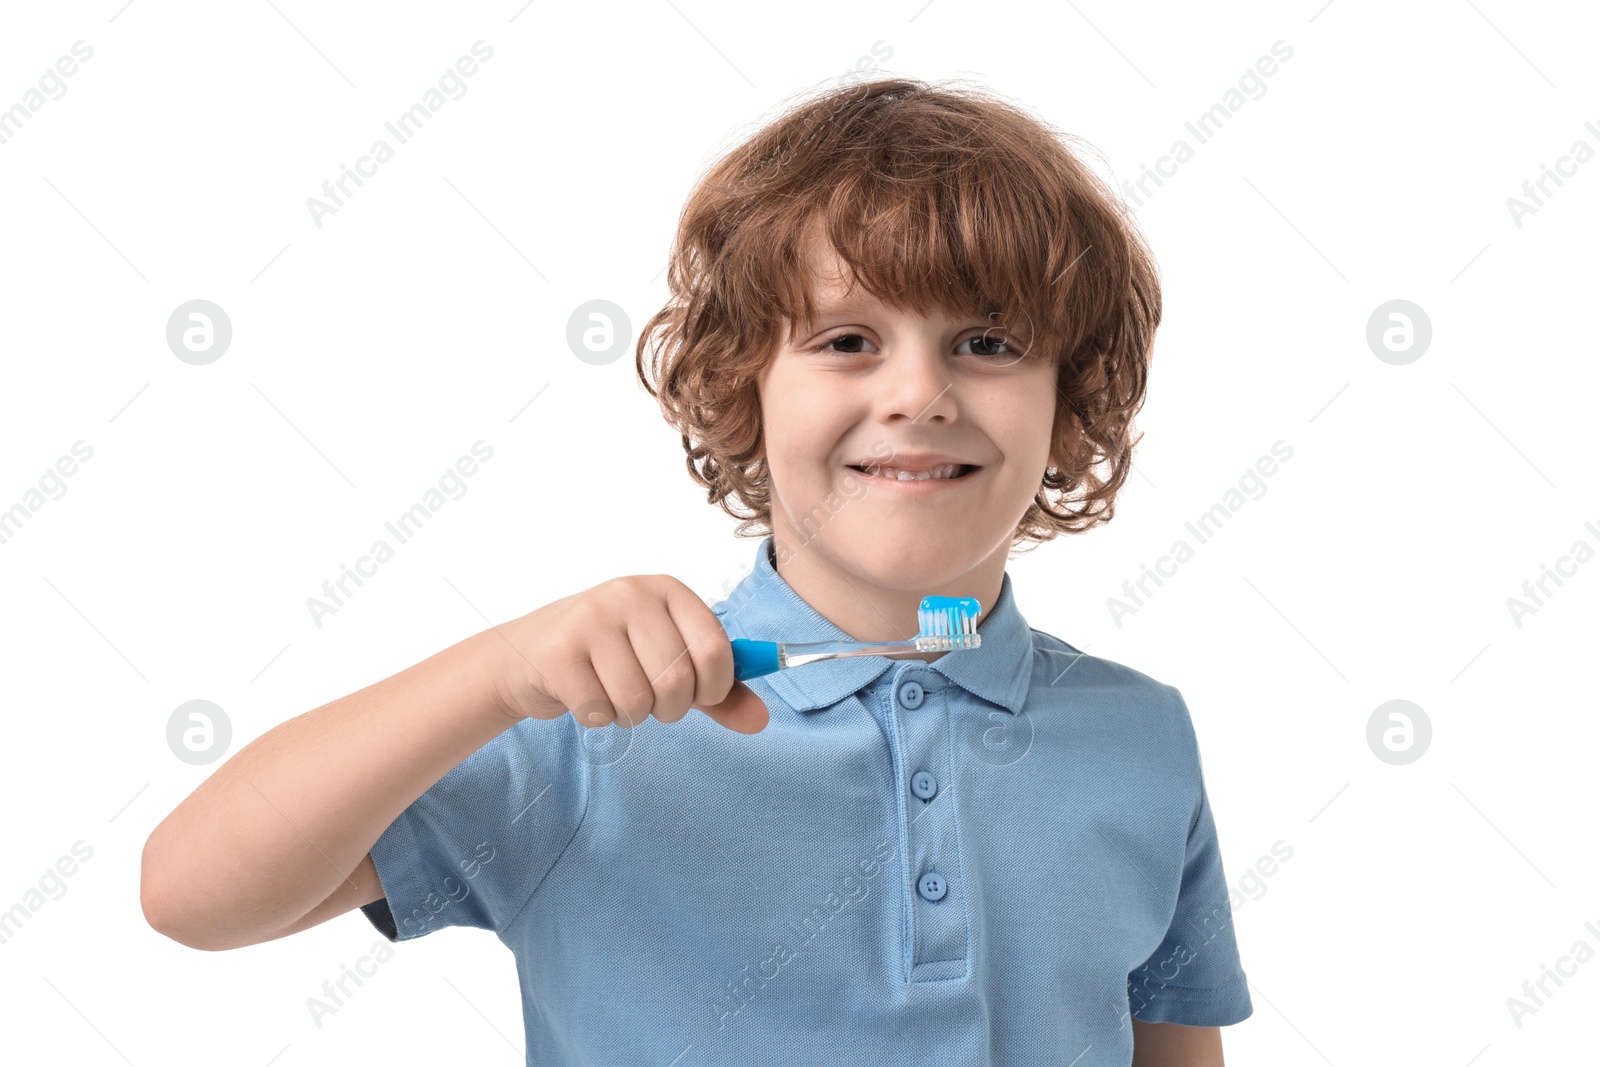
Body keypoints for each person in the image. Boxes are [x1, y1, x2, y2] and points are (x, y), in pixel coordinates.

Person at [142, 75, 1251, 1066]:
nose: (920, 393)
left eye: (989, 343)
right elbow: (190, 894)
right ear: (738, 387)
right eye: (846, 340)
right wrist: (496, 673)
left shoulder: (1140, 736)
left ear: (1071, 403)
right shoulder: (593, 720)